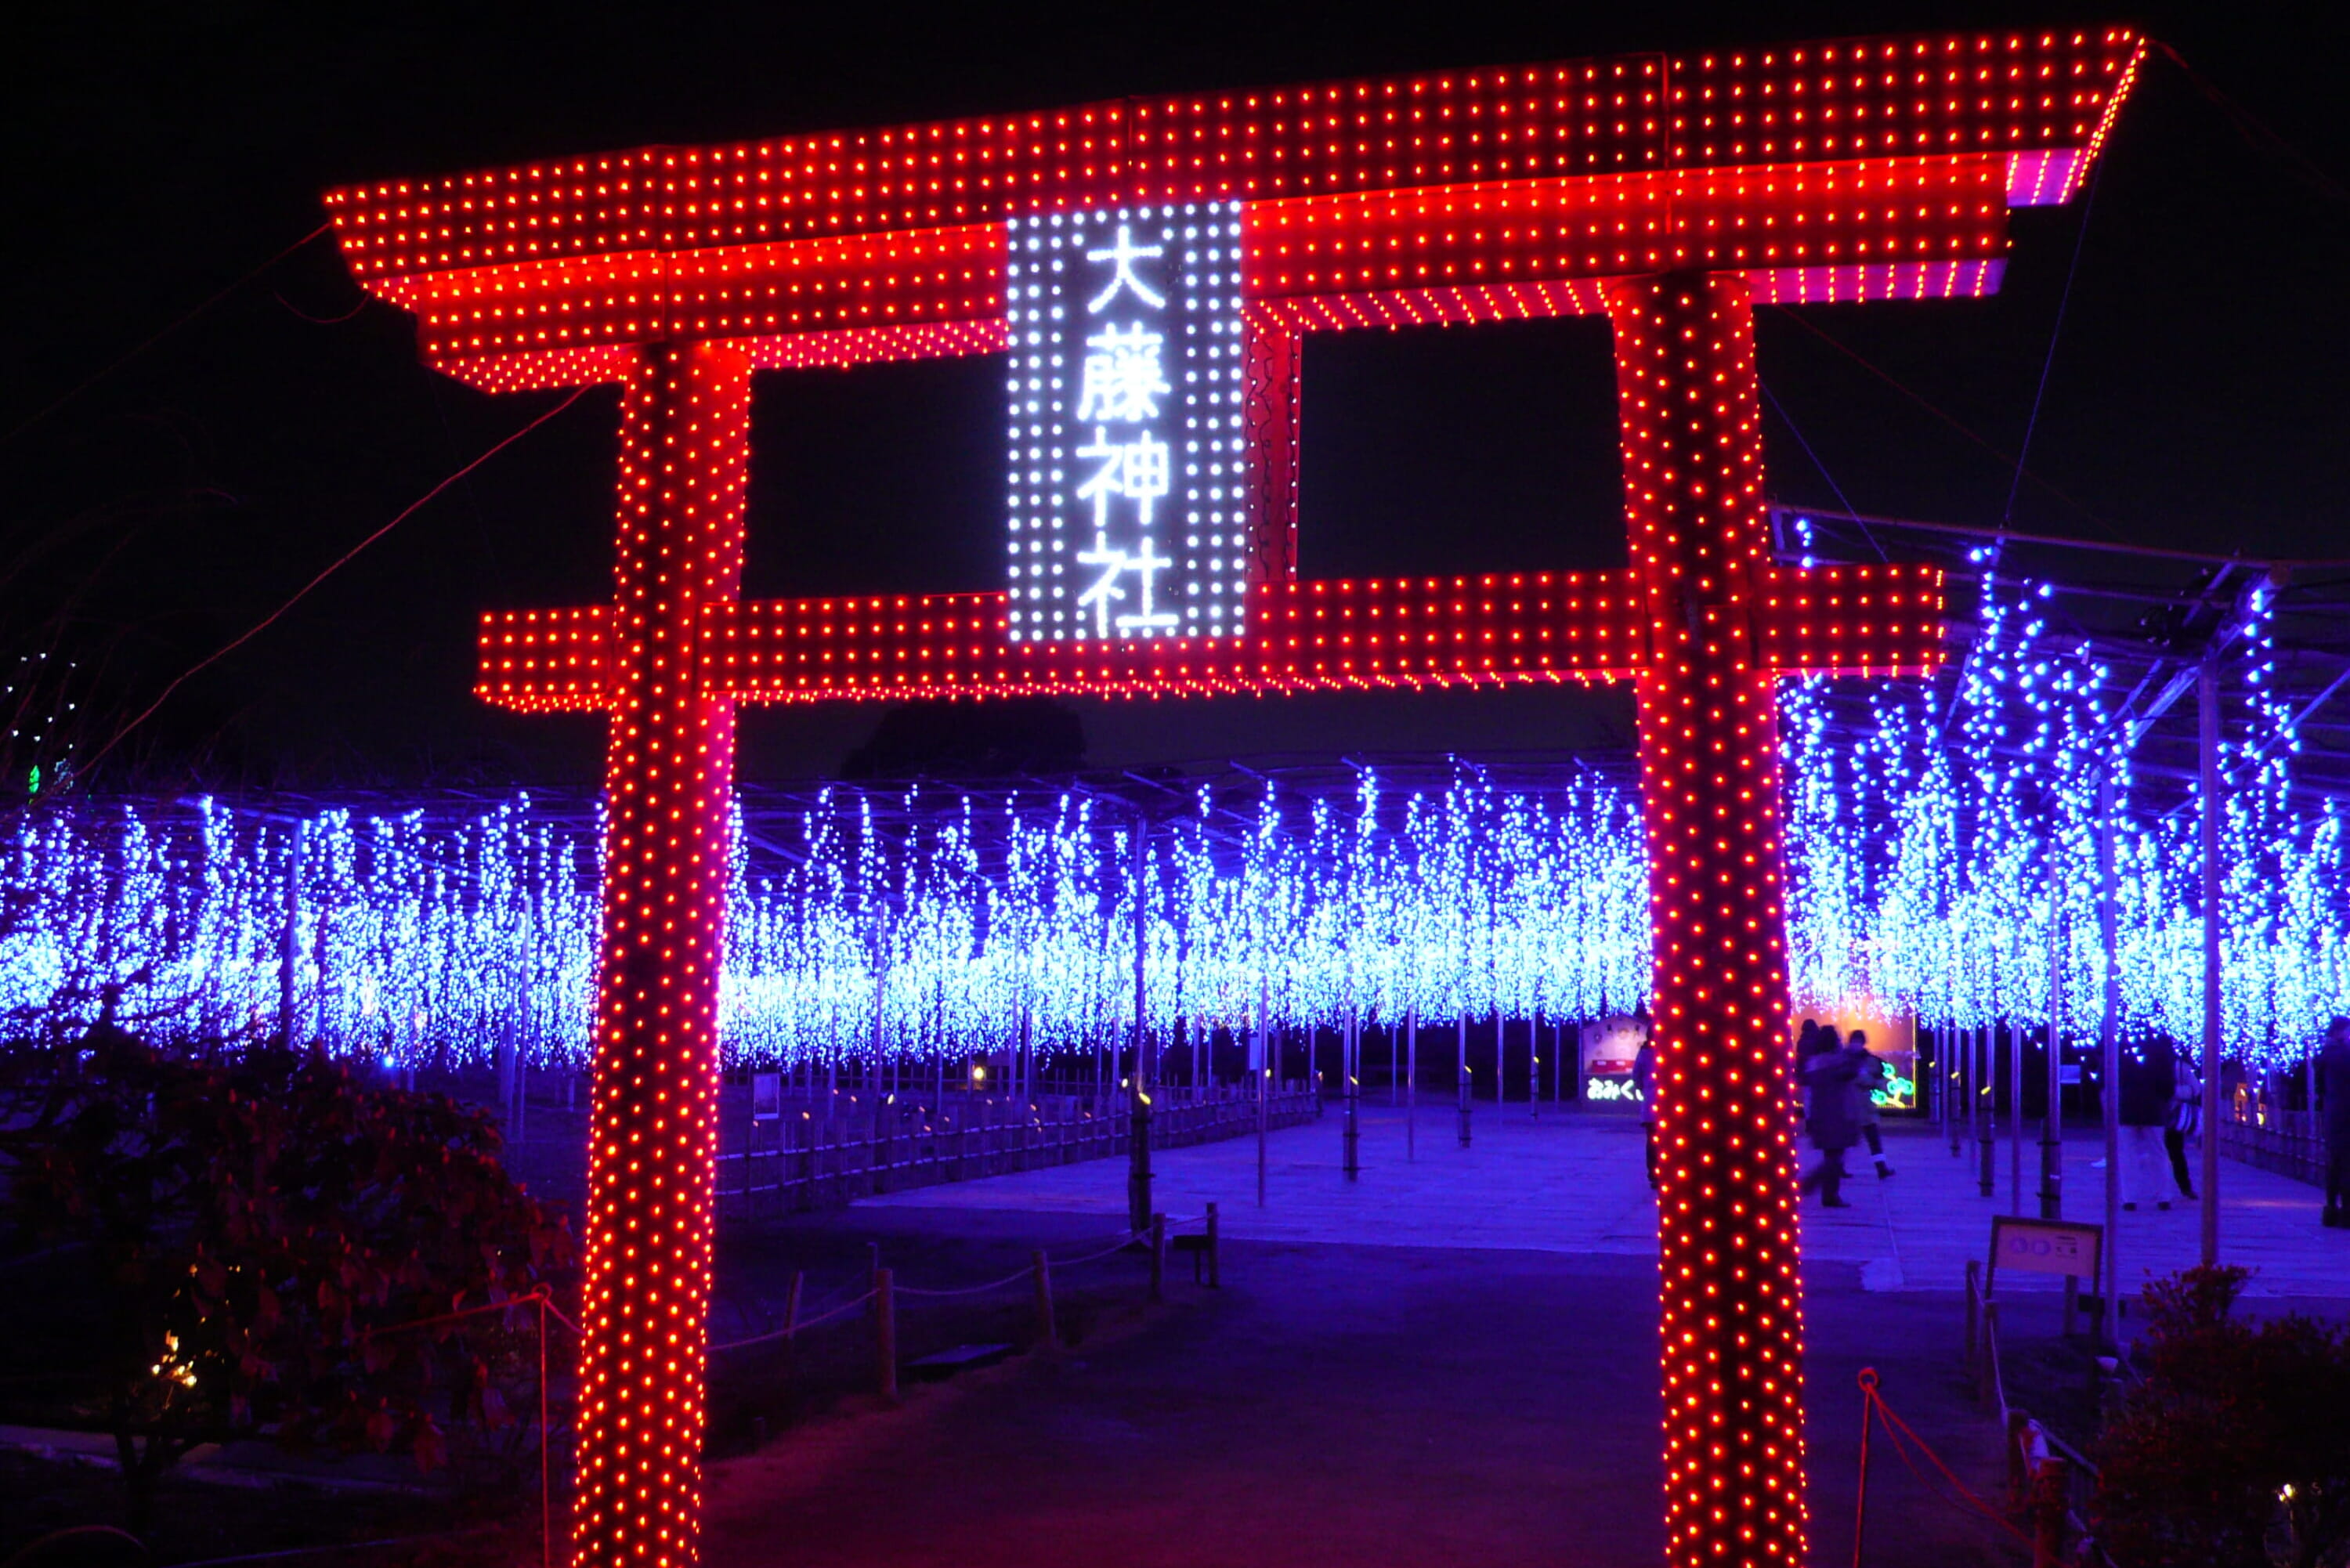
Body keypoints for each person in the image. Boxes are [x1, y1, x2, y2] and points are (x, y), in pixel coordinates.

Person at [2117, 1035, 2176, 1212]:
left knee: (2128, 1155)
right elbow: (2168, 1084)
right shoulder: (2159, 1050)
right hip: (2153, 1108)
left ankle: (2129, 1197)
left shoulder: (2123, 1048)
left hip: (2128, 1107)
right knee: (2158, 1153)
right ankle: (2163, 1196)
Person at [1799, 1040, 1860, 1208]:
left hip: (1820, 1116)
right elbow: (1853, 1071)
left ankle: (1828, 1195)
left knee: (1831, 1156)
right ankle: (1813, 1186)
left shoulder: (1814, 1065)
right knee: (1835, 1158)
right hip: (1838, 1117)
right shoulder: (1836, 1065)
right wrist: (1853, 1053)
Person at [1845, 1029, 1895, 1178]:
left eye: (1858, 1042)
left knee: (1873, 1139)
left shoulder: (1870, 1060)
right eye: (1854, 1042)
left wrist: (1865, 1079)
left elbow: (1877, 1081)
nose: (1856, 1045)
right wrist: (1864, 1078)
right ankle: (1838, 1168)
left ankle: (1881, 1168)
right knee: (1845, 1141)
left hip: (1864, 1107)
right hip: (1850, 1105)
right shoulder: (1844, 1059)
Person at [2319, 1016, 2350, 1228]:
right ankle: (2346, 1212)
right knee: (2345, 1165)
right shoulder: (2341, 1055)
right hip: (2344, 1116)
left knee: (2335, 1164)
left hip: (2334, 1115)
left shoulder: (2328, 1053)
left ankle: (2331, 1209)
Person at [2167, 1043, 2201, 1201]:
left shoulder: (2181, 1068)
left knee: (2175, 1152)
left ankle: (2184, 1187)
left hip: (2173, 1115)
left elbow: (2196, 1089)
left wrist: (2173, 1092)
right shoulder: (2180, 1067)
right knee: (2173, 1153)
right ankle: (2182, 1188)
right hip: (2159, 1115)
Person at [1632, 1009, 1658, 1190]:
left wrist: (1644, 1089)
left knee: (1652, 1141)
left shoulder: (1644, 1053)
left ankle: (1654, 1174)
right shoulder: (1671, 1051)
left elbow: (1636, 1076)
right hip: (1669, 1105)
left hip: (1650, 1103)